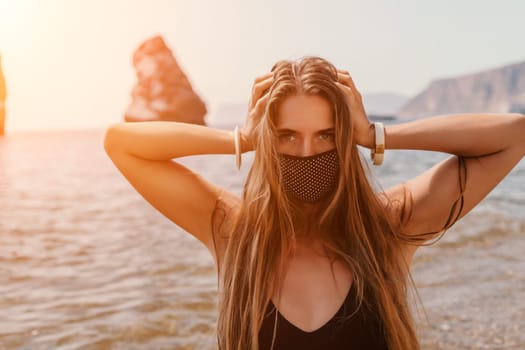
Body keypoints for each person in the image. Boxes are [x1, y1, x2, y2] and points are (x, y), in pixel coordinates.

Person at [103, 56, 525, 350]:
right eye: (287, 135)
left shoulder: (388, 226)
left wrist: (376, 135)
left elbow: (512, 135)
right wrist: (243, 139)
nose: (306, 153)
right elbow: (122, 144)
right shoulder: (233, 231)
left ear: (344, 138)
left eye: (325, 135)